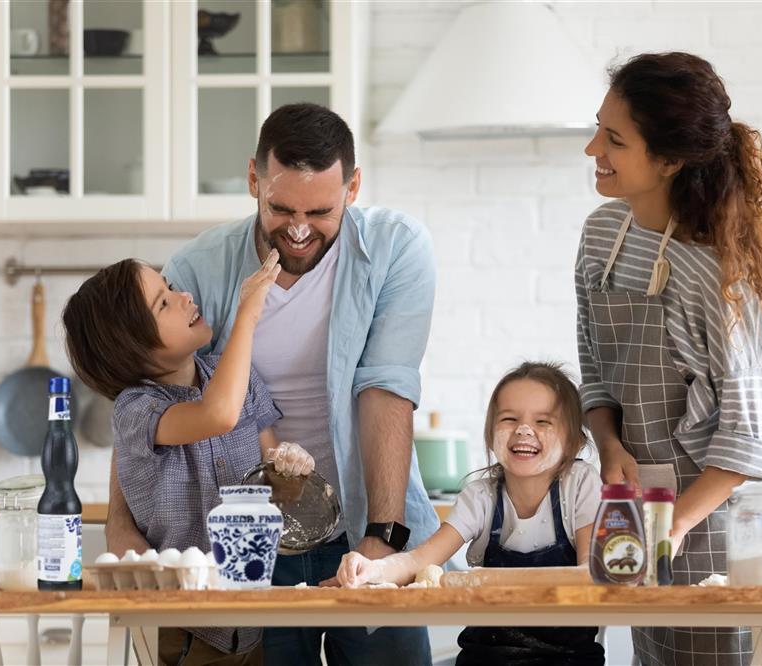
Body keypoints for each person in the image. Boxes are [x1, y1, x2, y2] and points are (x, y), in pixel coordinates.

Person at [104, 103, 437, 666]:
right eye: (281, 208)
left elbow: (385, 390)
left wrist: (382, 537)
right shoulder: (197, 271)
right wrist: (119, 521)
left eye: (321, 210)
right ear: (254, 179)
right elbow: (150, 400)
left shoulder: (394, 249)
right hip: (252, 545)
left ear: (353, 186)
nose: (300, 229)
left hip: (372, 526)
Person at [575, 52, 762, 666]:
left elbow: (748, 441)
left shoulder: (717, 276)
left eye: (615, 138)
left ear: (669, 160)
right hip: (640, 514)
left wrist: (673, 529)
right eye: (598, 126)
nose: (593, 147)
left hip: (712, 534)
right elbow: (593, 370)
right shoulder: (600, 236)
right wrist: (609, 444)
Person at [63, 252, 316, 665]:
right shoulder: (136, 410)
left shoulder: (240, 378)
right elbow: (216, 415)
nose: (184, 297)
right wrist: (247, 315)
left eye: (171, 288)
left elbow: (275, 489)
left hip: (251, 627)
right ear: (132, 346)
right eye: (164, 303)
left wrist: (291, 468)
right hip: (181, 631)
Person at [338, 362, 605, 666]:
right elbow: (418, 561)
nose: (523, 430)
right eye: (509, 419)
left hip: (568, 659)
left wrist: (491, 581)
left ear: (574, 442)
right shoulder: (482, 496)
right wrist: (371, 570)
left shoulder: (580, 485)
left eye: (543, 421)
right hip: (486, 657)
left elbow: (590, 575)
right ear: (491, 435)